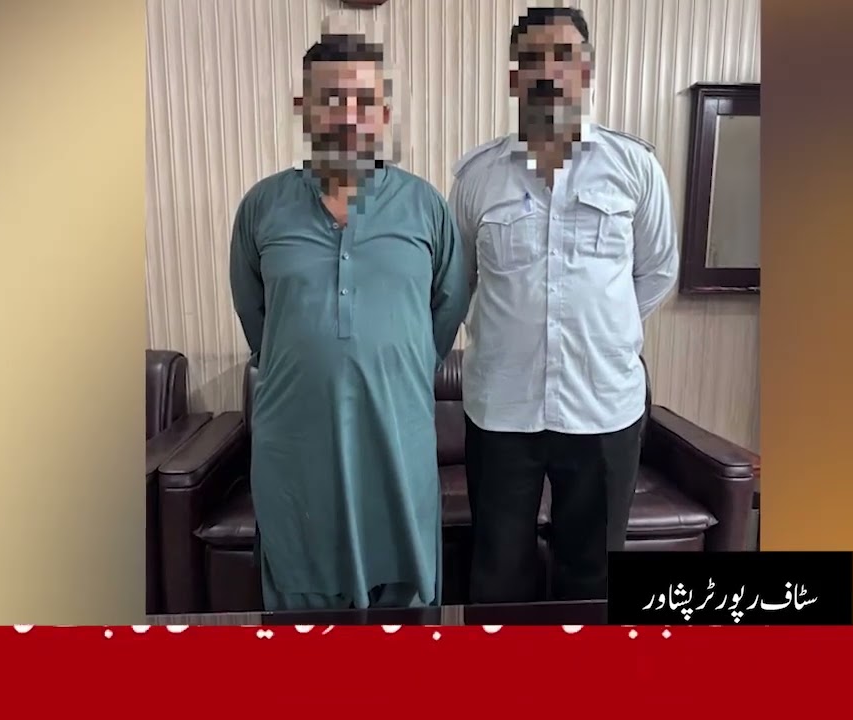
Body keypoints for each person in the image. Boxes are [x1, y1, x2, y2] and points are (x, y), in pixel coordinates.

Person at [229, 33, 469, 611]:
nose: (347, 115)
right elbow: (257, 320)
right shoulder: (262, 207)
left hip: (397, 442)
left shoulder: (425, 207)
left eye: (363, 101)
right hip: (295, 450)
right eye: (330, 99)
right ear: (303, 108)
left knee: (405, 609)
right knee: (299, 607)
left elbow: (448, 307)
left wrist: (395, 366)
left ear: (383, 113)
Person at [450, 7, 679, 604]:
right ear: (513, 78)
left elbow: (658, 271)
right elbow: (459, 282)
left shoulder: (634, 167)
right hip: (503, 409)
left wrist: (602, 331)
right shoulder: (476, 178)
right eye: (533, 59)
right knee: (498, 577)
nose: (549, 71)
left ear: (588, 70)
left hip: (603, 405)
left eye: (565, 56)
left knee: (593, 580)